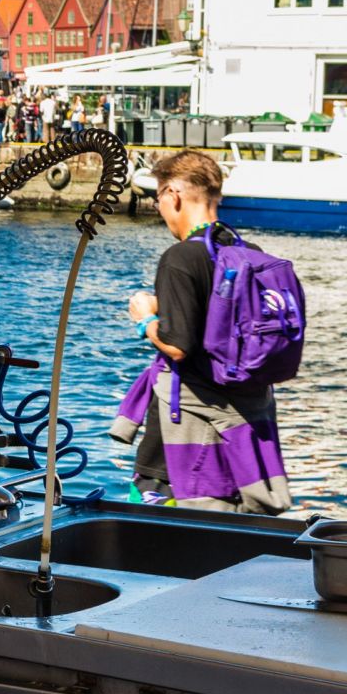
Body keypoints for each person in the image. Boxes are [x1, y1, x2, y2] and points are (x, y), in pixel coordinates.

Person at [114, 151, 291, 514]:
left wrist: (146, 318)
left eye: (158, 196)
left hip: (181, 445)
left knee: (155, 545)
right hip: (242, 431)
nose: (159, 206)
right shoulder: (248, 253)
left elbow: (179, 345)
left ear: (173, 195)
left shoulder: (179, 257)